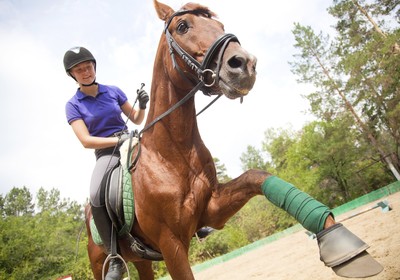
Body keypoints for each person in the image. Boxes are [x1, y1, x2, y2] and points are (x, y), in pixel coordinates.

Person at [64, 46, 149, 280]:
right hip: (106, 153)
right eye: (79, 70)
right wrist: (116, 139)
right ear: (72, 75)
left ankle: (195, 220)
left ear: (94, 67)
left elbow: (137, 119)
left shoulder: (113, 91)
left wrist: (142, 105)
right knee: (96, 194)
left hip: (131, 142)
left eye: (88, 66)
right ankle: (115, 258)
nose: (85, 72)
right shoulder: (73, 104)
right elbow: (85, 140)